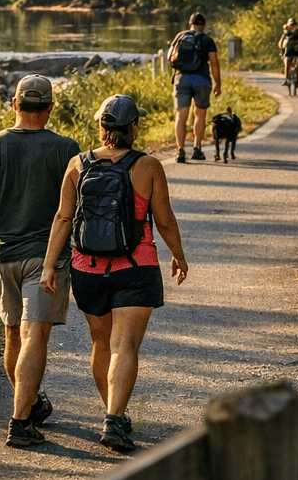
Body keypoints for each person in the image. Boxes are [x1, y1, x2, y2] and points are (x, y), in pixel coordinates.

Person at [40, 95, 188, 454]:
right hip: (136, 268)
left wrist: (48, 266)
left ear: (101, 128)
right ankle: (114, 419)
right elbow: (164, 219)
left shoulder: (78, 164)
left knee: (101, 344)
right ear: (133, 127)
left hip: (87, 268)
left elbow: (63, 218)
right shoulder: (148, 166)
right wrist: (179, 256)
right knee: (125, 346)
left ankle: (114, 414)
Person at [0, 74, 82, 448]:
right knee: (34, 333)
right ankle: (20, 422)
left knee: (15, 335)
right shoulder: (66, 149)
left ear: (14, 105)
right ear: (50, 108)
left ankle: (29, 403)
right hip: (46, 258)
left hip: (2, 257)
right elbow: (76, 209)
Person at [167, 12, 221, 163]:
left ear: (190, 23)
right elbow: (214, 61)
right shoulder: (207, 40)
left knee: (181, 115)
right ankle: (197, 148)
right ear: (203, 25)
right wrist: (218, 83)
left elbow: (169, 57)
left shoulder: (180, 36)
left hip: (181, 78)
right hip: (201, 79)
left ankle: (180, 150)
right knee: (200, 114)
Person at [279, 18, 298, 85]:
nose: (292, 26)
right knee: (287, 63)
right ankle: (287, 78)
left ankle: (295, 73)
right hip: (290, 48)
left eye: (293, 25)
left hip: (296, 48)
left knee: (296, 61)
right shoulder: (287, 31)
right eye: (291, 25)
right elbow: (282, 41)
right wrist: (281, 46)